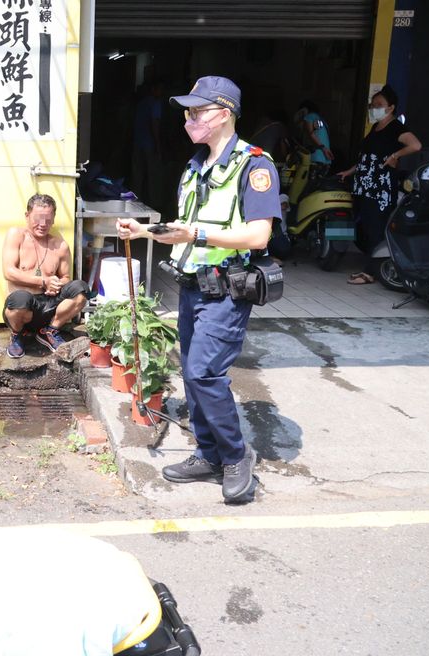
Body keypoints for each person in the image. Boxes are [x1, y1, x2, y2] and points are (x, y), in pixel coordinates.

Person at [116, 76, 279, 505]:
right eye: (187, 113)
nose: (189, 120)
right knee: (192, 375)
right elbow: (182, 232)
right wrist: (145, 230)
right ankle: (208, 454)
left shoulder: (255, 166)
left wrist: (198, 234)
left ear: (223, 114)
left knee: (206, 374)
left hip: (226, 290)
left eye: (197, 112)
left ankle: (236, 457)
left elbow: (259, 235)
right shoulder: (196, 167)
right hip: (192, 288)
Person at [336, 85, 422, 285]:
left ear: (391, 108)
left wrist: (395, 155)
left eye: (379, 105)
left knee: (376, 229)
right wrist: (350, 171)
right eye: (373, 105)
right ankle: (369, 266)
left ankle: (370, 273)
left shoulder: (396, 129)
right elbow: (368, 157)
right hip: (364, 186)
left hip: (380, 189)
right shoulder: (376, 128)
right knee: (364, 227)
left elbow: (416, 145)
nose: (374, 108)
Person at [2, 194, 89, 359]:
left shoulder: (60, 246)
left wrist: (57, 284)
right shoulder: (16, 235)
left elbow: (65, 277)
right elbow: (8, 272)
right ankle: (17, 335)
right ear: (27, 216)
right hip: (24, 309)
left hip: (50, 307)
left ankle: (49, 331)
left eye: (48, 220)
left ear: (54, 219)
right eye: (37, 219)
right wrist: (43, 281)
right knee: (20, 299)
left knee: (81, 289)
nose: (42, 225)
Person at [131, 81, 164, 203]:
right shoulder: (155, 103)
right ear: (154, 89)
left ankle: (136, 200)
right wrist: (158, 145)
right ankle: (154, 202)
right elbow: (155, 124)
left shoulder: (141, 103)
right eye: (160, 89)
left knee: (137, 174)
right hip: (149, 144)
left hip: (137, 143)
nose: (162, 92)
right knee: (152, 175)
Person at [293, 100, 333, 179]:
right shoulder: (322, 120)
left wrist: (323, 148)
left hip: (316, 158)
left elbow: (311, 134)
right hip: (326, 161)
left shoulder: (309, 116)